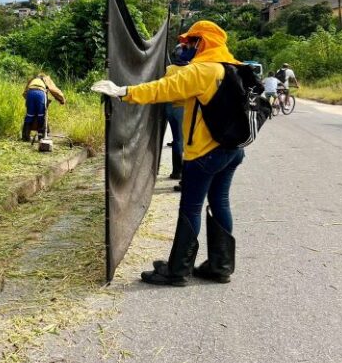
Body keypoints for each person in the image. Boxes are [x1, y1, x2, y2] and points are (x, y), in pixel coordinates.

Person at [92, 20, 244, 286]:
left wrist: (123, 92)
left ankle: (177, 271)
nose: (185, 46)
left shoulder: (202, 71)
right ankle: (221, 265)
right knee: (220, 201)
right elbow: (181, 94)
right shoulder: (233, 68)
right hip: (233, 151)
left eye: (190, 41)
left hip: (205, 154)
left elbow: (162, 90)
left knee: (191, 207)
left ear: (203, 42)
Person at [164, 44, 193, 191]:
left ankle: (176, 171)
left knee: (177, 139)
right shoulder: (191, 70)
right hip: (184, 108)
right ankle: (181, 172)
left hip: (169, 107)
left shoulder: (168, 70)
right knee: (183, 141)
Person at [22, 73, 65, 141]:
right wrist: (62, 100)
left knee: (29, 115)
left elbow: (24, 94)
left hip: (30, 93)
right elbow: (54, 90)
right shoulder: (46, 79)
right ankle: (41, 136)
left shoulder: (32, 79)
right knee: (41, 115)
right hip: (40, 93)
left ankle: (25, 136)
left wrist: (30, 102)